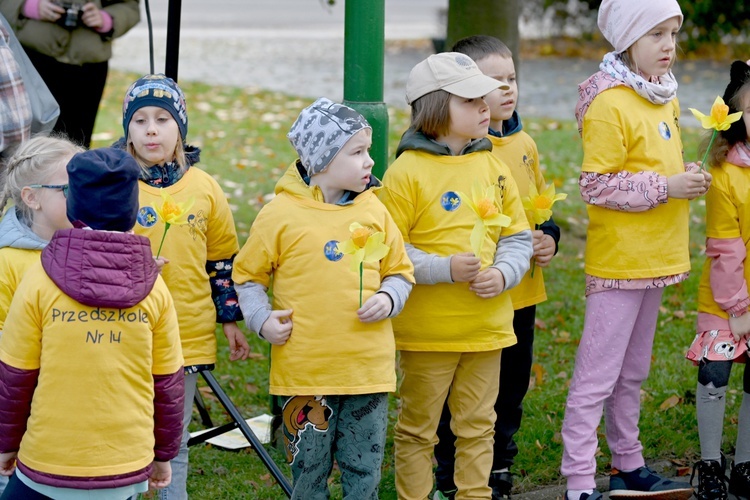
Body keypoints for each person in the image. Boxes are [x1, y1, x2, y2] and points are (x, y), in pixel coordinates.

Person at [561, 0, 713, 499]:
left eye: (673, 33)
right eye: (655, 34)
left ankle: (628, 464)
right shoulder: (610, 102)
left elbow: (655, 163)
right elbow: (596, 185)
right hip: (621, 262)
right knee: (596, 378)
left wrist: (687, 176)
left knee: (634, 373)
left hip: (658, 257)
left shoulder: (661, 96)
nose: (668, 45)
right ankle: (579, 481)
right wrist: (666, 187)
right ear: (627, 40)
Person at [233, 97, 414, 499]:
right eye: (357, 152)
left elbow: (401, 272)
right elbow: (246, 278)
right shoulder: (279, 215)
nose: (369, 161)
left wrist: (389, 296)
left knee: (363, 472)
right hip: (304, 375)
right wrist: (261, 319)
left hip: (366, 372)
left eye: (367, 151)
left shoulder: (376, 212)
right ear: (322, 160)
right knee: (309, 476)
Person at [378, 52, 533, 499]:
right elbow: (393, 251)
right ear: (434, 107)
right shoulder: (406, 173)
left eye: (485, 98)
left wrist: (504, 274)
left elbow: (517, 237)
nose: (486, 107)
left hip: (487, 328)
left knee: (479, 426)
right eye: (471, 101)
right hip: (428, 333)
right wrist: (443, 269)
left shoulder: (494, 166)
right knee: (418, 430)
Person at [0, 147, 185, 499]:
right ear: (133, 211)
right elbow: (168, 382)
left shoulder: (39, 279)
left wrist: (6, 444)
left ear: (73, 206)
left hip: (47, 462)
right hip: (126, 465)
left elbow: (14, 374)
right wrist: (164, 454)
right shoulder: (155, 288)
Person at [431, 35, 562, 500]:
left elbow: (538, 211)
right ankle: (450, 470)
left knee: (511, 386)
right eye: (494, 82)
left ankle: (498, 464)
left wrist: (549, 238)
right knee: (463, 390)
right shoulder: (460, 153)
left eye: (512, 79)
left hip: (522, 293)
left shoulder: (525, 143)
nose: (508, 89)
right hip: (477, 297)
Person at [116, 73, 250, 500]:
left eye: (162, 119)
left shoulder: (205, 188)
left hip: (186, 333)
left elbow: (222, 261)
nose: (151, 129)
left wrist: (229, 317)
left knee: (173, 440)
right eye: (139, 121)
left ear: (180, 127)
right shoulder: (116, 186)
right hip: (127, 331)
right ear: (127, 131)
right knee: (129, 431)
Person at [0, 135, 82, 497]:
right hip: (22, 400)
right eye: (69, 188)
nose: (83, 196)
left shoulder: (90, 244)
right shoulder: (9, 261)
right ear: (31, 197)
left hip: (72, 399)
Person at [686, 60, 750, 500]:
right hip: (726, 299)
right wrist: (740, 308)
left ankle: (745, 463)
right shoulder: (726, 174)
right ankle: (710, 462)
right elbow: (725, 250)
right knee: (716, 371)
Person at [0, 0, 140, 148]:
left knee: (77, 143)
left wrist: (106, 19)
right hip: (31, 59)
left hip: (88, 67)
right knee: (28, 145)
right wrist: (28, 7)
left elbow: (130, 6)